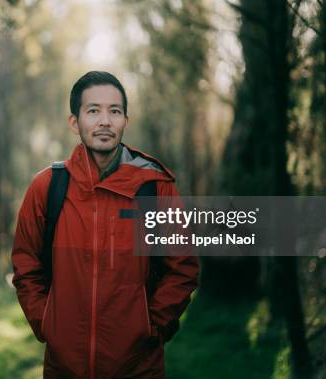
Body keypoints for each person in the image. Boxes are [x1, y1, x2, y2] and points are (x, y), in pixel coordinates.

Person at [11, 71, 199, 378]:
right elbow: (25, 264)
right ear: (75, 122)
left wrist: (151, 326)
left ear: (126, 120)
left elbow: (183, 268)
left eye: (115, 111)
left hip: (138, 367)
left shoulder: (155, 187)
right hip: (64, 368)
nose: (105, 121)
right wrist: (46, 322)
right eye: (93, 111)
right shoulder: (47, 187)